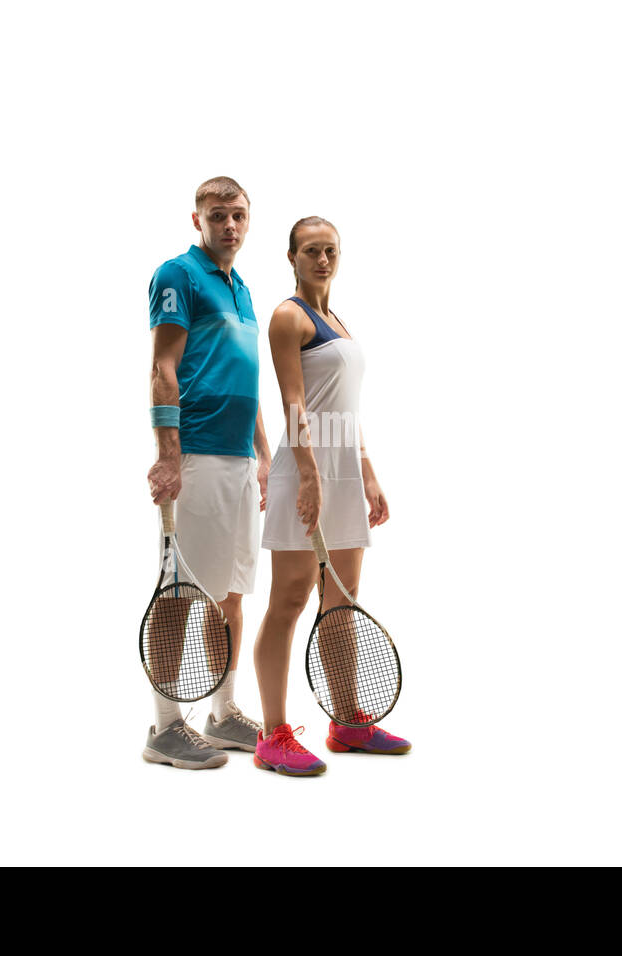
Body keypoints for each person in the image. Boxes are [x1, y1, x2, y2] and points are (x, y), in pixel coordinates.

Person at [253, 217, 412, 776]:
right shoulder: (287, 317)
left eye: (331, 251)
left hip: (341, 470)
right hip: (304, 471)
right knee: (290, 600)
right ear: (292, 257)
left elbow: (345, 410)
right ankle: (272, 735)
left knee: (342, 601)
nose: (323, 260)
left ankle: (347, 722)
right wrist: (310, 475)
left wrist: (366, 473)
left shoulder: (337, 321)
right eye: (312, 251)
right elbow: (295, 404)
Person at [143, 176, 271, 769]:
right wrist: (169, 456)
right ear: (198, 220)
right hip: (197, 456)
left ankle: (222, 714)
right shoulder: (179, 275)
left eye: (238, 215)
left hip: (240, 463)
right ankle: (165, 726)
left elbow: (247, 381)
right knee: (180, 596)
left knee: (231, 593)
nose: (230, 226)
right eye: (218, 215)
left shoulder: (242, 287)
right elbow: (162, 368)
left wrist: (265, 455)